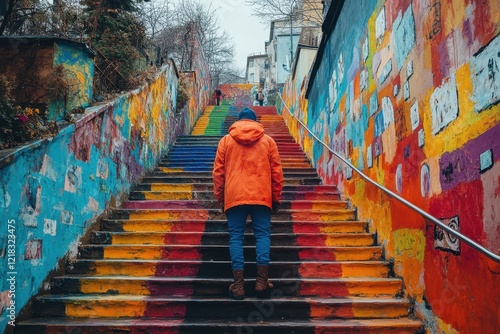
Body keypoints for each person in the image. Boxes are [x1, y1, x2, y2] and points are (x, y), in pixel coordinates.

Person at [212, 107, 284, 300]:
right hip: (261, 196)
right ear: (255, 122)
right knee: (262, 236)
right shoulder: (268, 141)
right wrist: (275, 198)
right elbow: (277, 174)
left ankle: (239, 285)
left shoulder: (225, 141)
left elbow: (218, 174)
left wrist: (221, 198)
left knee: (236, 237)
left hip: (234, 195)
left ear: (238, 121)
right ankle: (261, 282)